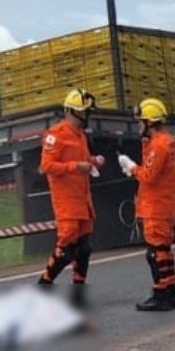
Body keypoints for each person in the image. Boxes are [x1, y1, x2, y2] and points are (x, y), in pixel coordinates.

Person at [36, 88, 105, 309]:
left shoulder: (81, 135)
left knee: (84, 248)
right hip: (66, 201)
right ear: (72, 111)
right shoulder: (56, 134)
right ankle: (43, 286)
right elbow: (46, 166)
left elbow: (83, 160)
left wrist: (93, 161)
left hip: (83, 199)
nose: (87, 116)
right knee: (66, 249)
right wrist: (75, 166)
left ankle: (78, 293)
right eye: (84, 112)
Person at [118, 97, 175, 312]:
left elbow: (149, 176)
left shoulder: (159, 146)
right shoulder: (166, 141)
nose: (138, 125)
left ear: (150, 122)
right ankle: (171, 294)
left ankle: (161, 295)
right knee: (164, 250)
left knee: (155, 253)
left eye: (140, 121)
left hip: (157, 206)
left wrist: (131, 167)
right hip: (163, 203)